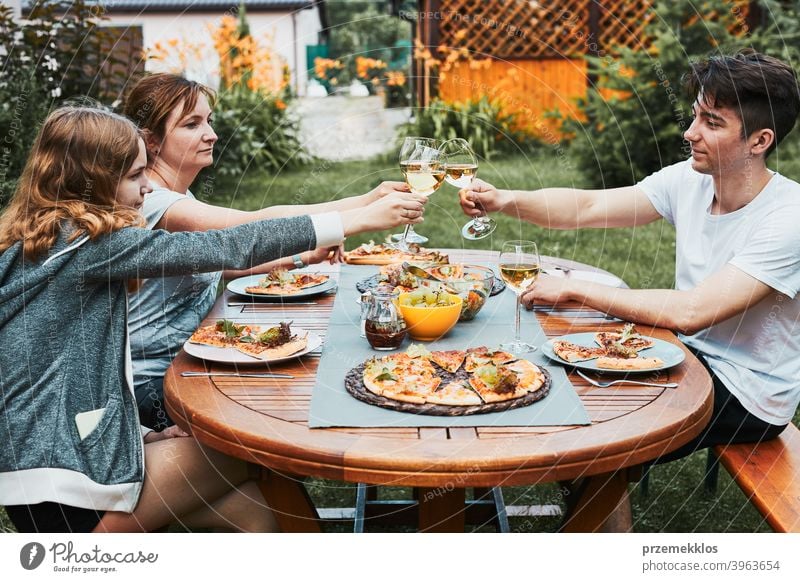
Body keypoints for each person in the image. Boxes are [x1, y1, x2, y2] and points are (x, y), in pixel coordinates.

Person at [0, 106, 424, 533]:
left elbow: (64, 376)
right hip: (63, 487)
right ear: (89, 180)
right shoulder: (85, 245)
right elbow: (226, 246)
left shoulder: (43, 242)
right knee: (256, 446)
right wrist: (353, 221)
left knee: (254, 513)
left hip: (66, 463)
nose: (148, 187)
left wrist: (144, 434)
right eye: (134, 176)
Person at [460, 51, 800, 461]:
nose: (691, 133)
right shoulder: (690, 180)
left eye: (712, 123)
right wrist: (505, 199)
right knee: (556, 372)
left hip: (746, 392)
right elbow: (587, 208)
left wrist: (574, 290)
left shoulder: (788, 218)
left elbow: (692, 311)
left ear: (759, 141)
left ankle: (592, 501)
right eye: (694, 116)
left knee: (595, 424)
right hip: (684, 351)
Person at [121, 73, 419, 429]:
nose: (211, 134)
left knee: (294, 394)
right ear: (152, 142)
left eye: (209, 121)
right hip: (154, 387)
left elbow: (218, 263)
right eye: (192, 124)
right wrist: (359, 215)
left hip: (196, 360)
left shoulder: (180, 198)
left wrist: (302, 256)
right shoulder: (156, 203)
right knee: (285, 411)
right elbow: (251, 227)